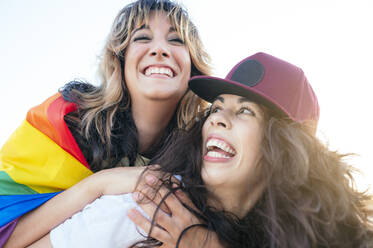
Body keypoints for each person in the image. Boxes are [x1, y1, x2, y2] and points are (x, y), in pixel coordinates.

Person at [29, 52, 373, 247]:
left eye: (244, 111)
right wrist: (99, 184)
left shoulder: (308, 235)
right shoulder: (151, 209)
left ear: (285, 148)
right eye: (216, 107)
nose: (218, 120)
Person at [0, 0, 217, 247]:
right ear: (120, 60)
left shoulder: (207, 146)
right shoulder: (67, 121)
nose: (160, 50)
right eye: (143, 38)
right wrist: (100, 184)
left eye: (176, 40)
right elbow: (7, 239)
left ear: (193, 66)